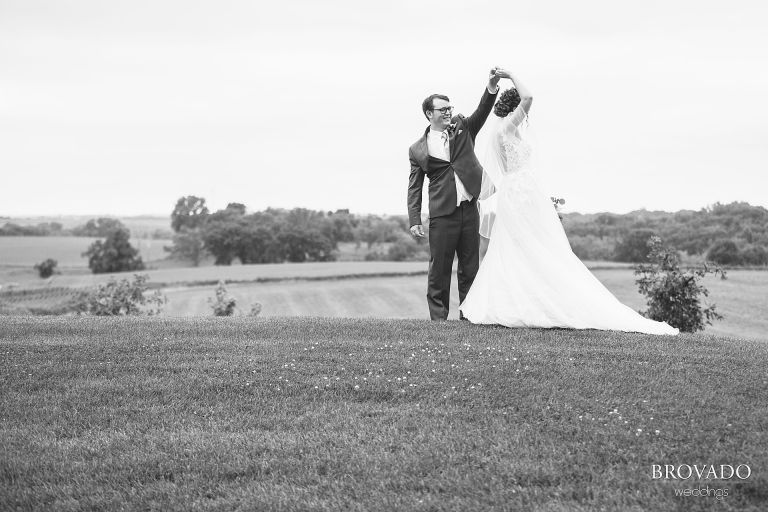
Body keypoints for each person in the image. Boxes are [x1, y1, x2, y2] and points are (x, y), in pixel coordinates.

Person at [459, 70, 678, 335]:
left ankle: (523, 300)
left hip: (515, 191)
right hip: (521, 193)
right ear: (515, 108)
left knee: (524, 245)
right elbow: (529, 96)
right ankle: (531, 302)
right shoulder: (508, 127)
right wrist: (510, 74)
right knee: (532, 244)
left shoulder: (502, 132)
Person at [407, 68, 502, 321]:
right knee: (439, 269)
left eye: (449, 108)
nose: (448, 112)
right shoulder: (417, 149)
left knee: (470, 267)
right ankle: (438, 320)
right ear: (430, 114)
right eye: (442, 109)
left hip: (470, 208)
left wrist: (491, 87)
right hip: (441, 213)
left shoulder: (463, 126)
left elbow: (482, 111)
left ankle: (469, 316)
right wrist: (415, 219)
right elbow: (414, 186)